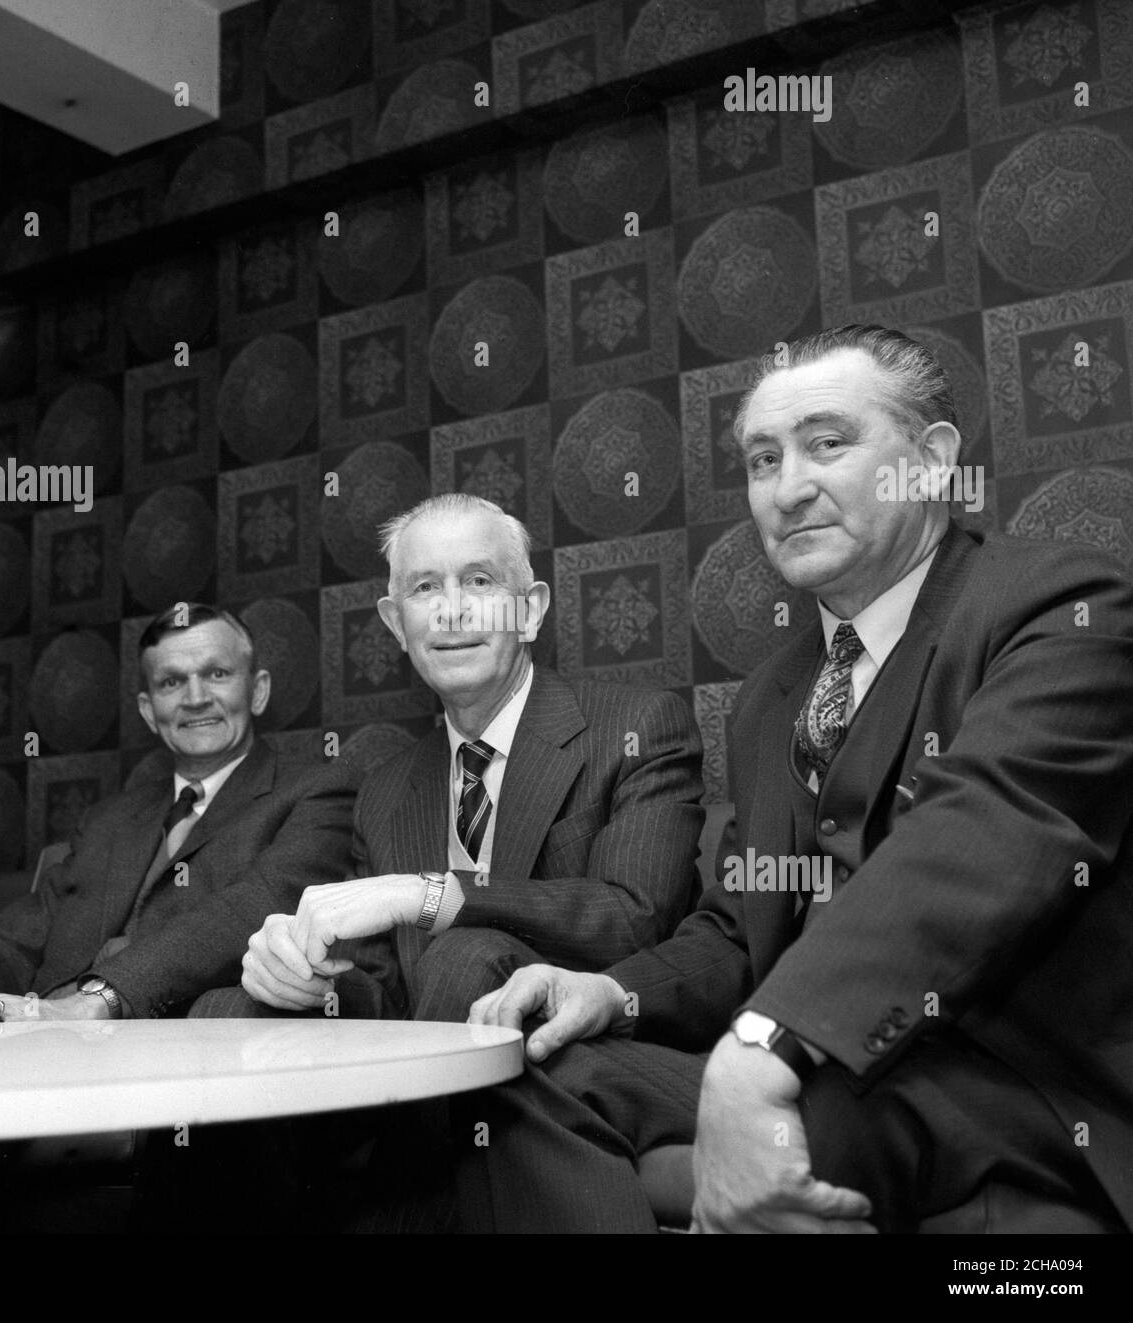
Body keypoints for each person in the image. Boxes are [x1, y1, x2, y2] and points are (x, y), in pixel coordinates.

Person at [462, 324, 1133, 1233]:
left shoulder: (1056, 606)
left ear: (931, 463)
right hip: (808, 1064)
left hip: (1012, 1090)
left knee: (811, 1130)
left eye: (829, 443)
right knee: (515, 1072)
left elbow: (984, 842)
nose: (788, 488)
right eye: (762, 459)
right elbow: (742, 924)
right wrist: (611, 992)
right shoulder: (772, 697)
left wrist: (765, 1038)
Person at [208, 493, 705, 1027]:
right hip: (432, 1060)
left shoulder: (637, 728)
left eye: (479, 581)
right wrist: (305, 979)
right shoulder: (385, 792)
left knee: (465, 957)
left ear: (530, 611)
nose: (452, 609)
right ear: (398, 625)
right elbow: (387, 997)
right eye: (425, 588)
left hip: (579, 1054)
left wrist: (433, 897)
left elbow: (635, 920)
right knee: (230, 1004)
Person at [0, 602, 357, 1027]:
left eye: (217, 674)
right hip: (34, 1025)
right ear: (150, 710)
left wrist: (99, 998)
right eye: (172, 683)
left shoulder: (315, 789)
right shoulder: (111, 818)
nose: (196, 698)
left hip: (163, 1031)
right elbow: (21, 934)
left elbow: (251, 909)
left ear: (257, 689)